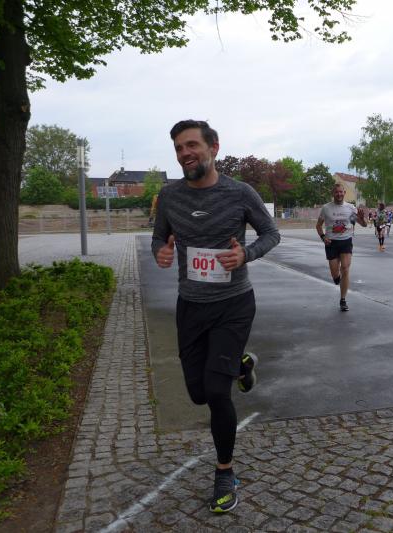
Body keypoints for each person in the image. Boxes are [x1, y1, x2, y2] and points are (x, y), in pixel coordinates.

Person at [152, 120, 280, 513]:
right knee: (198, 393)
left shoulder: (240, 193)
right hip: (190, 306)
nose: (185, 153)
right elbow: (158, 237)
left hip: (233, 304)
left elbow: (271, 233)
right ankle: (241, 365)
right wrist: (160, 252)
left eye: (191, 145)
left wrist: (246, 254)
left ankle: (225, 472)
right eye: (179, 148)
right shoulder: (169, 196)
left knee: (217, 393)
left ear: (214, 148)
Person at [316, 183, 367, 311]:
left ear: (344, 193)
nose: (339, 194)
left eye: (341, 192)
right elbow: (318, 225)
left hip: (346, 241)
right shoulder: (326, 208)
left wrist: (362, 218)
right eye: (336, 192)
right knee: (335, 275)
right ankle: (336, 278)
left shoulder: (350, 208)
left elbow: (363, 224)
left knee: (345, 268)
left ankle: (343, 300)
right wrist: (323, 237)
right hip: (331, 243)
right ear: (333, 193)